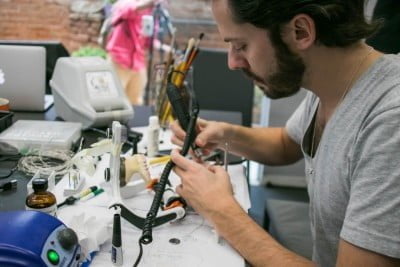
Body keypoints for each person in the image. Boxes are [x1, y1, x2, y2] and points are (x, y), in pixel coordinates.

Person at [169, 0, 400, 266]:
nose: (232, 62)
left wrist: (220, 210)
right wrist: (224, 135)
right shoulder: (333, 84)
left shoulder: (390, 120)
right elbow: (285, 144)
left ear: (300, 31)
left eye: (241, 45)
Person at [106, 0, 160, 105]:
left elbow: (149, 39)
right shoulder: (125, 3)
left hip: (138, 62)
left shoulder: (153, 13)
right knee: (114, 100)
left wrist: (163, 47)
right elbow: (126, 10)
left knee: (136, 102)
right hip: (119, 59)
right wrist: (150, 3)